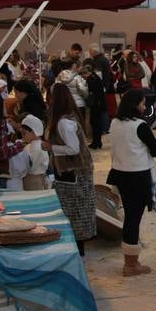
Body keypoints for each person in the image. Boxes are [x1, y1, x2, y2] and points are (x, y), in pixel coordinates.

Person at [107, 89, 156, 276]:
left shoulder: (114, 122)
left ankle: (130, 260)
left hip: (120, 173)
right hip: (137, 175)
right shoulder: (139, 125)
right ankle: (131, 263)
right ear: (135, 105)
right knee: (133, 219)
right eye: (142, 104)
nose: (144, 107)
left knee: (130, 216)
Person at [44, 83, 96, 257]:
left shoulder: (64, 122)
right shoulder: (68, 119)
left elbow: (73, 149)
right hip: (73, 174)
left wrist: (51, 146)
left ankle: (77, 254)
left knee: (75, 215)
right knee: (75, 215)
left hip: (73, 175)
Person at [17, 114, 50, 191]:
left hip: (32, 180)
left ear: (33, 132)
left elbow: (26, 166)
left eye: (24, 133)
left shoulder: (34, 147)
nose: (22, 136)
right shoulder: (40, 144)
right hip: (41, 178)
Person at [83, 64, 107, 150]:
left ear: (87, 73)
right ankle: (97, 142)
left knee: (94, 123)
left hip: (95, 104)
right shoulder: (96, 77)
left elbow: (90, 91)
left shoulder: (91, 79)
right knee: (97, 123)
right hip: (99, 103)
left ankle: (96, 142)